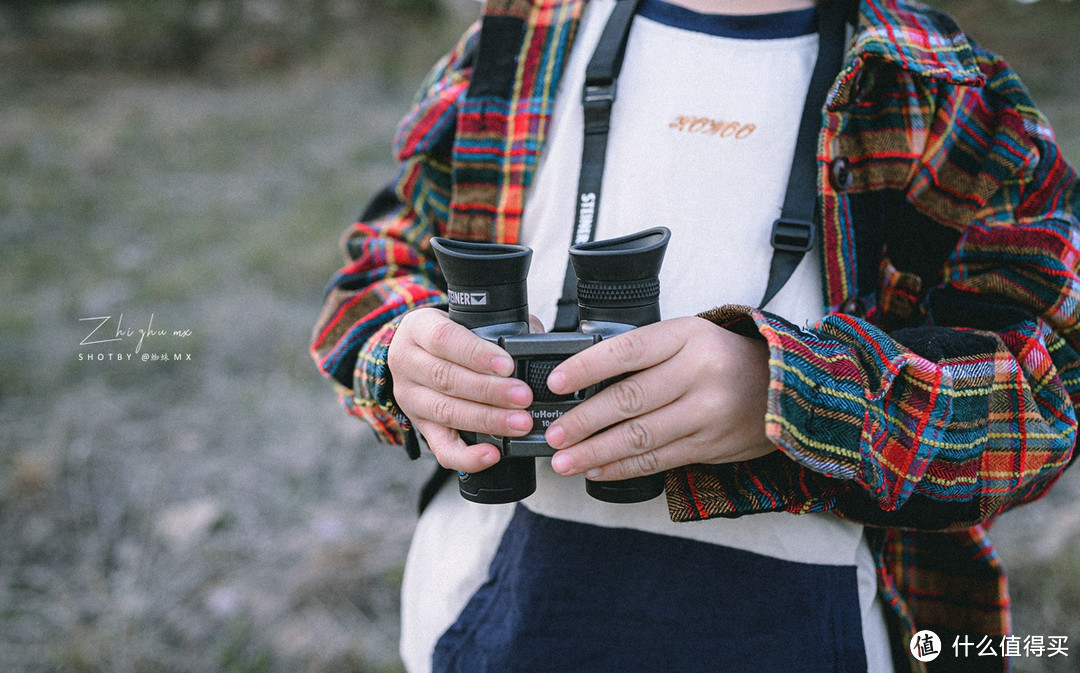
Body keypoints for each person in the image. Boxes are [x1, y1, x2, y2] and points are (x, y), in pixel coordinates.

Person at [311, 0, 1079, 670]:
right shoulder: (517, 40)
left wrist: (789, 396)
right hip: (491, 616)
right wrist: (407, 357)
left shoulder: (944, 90)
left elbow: (1052, 392)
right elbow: (383, 262)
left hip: (805, 628)